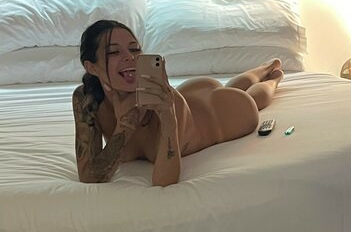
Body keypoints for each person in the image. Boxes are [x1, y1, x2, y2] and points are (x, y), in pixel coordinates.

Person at [73, 20, 283, 186]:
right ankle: (265, 69)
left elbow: (164, 182)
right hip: (194, 93)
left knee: (251, 99)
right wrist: (124, 125)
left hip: (219, 114)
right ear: (91, 67)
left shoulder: (162, 101)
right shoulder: (88, 99)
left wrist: (167, 115)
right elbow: (89, 176)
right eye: (113, 51)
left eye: (135, 49)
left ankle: (271, 75)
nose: (130, 57)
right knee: (230, 86)